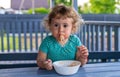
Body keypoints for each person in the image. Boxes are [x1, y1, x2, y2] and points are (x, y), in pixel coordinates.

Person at [37, 4, 89, 70]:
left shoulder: (75, 41)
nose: (60, 30)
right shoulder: (47, 42)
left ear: (72, 27)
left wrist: (83, 57)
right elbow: (39, 61)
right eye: (56, 25)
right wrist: (45, 64)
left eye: (65, 25)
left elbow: (80, 63)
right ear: (50, 26)